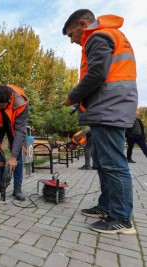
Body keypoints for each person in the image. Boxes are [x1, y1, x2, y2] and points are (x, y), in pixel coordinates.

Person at [62, 9, 138, 234]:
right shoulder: (108, 35)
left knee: (114, 164)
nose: (72, 40)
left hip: (109, 108)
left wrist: (72, 97)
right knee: (104, 163)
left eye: (71, 34)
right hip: (110, 105)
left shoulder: (97, 36)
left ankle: (122, 219)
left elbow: (97, 73)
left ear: (83, 24)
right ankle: (106, 207)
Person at [0, 84, 29, 201]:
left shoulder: (21, 103)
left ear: (9, 100)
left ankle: (17, 189)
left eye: (1, 105)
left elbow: (20, 131)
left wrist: (12, 156)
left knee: (17, 157)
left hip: (14, 126)